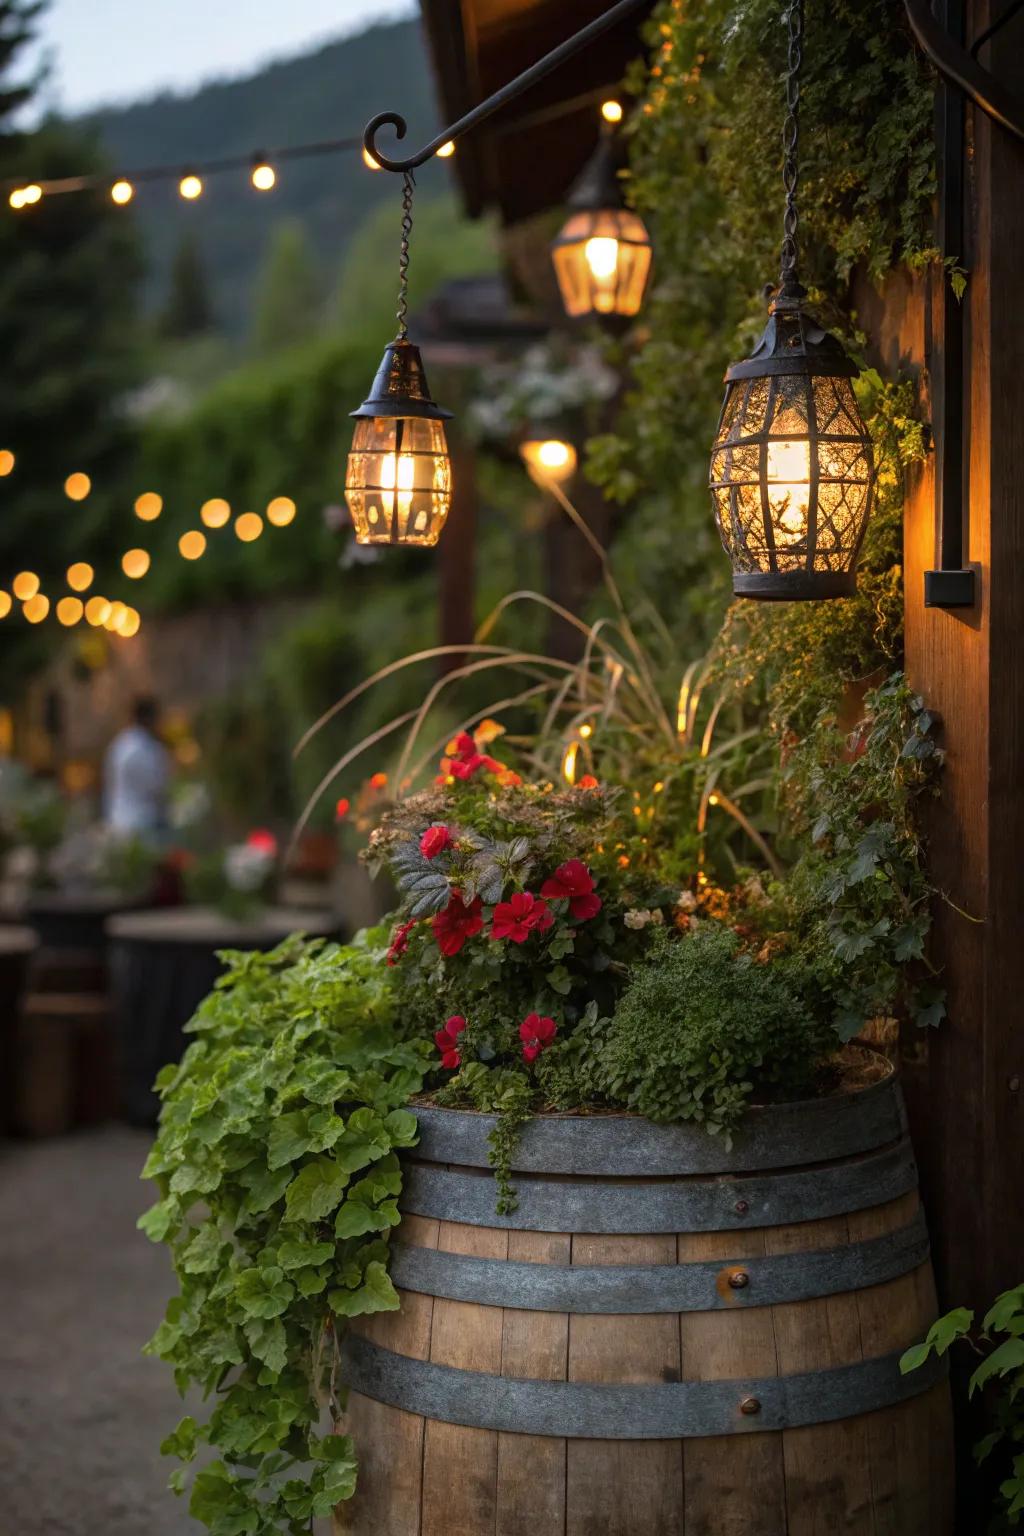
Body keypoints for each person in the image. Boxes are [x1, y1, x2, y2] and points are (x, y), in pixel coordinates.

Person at [102, 696, 172, 838]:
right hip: (142, 822)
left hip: (118, 819)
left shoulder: (120, 743)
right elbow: (157, 785)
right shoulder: (146, 748)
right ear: (149, 718)